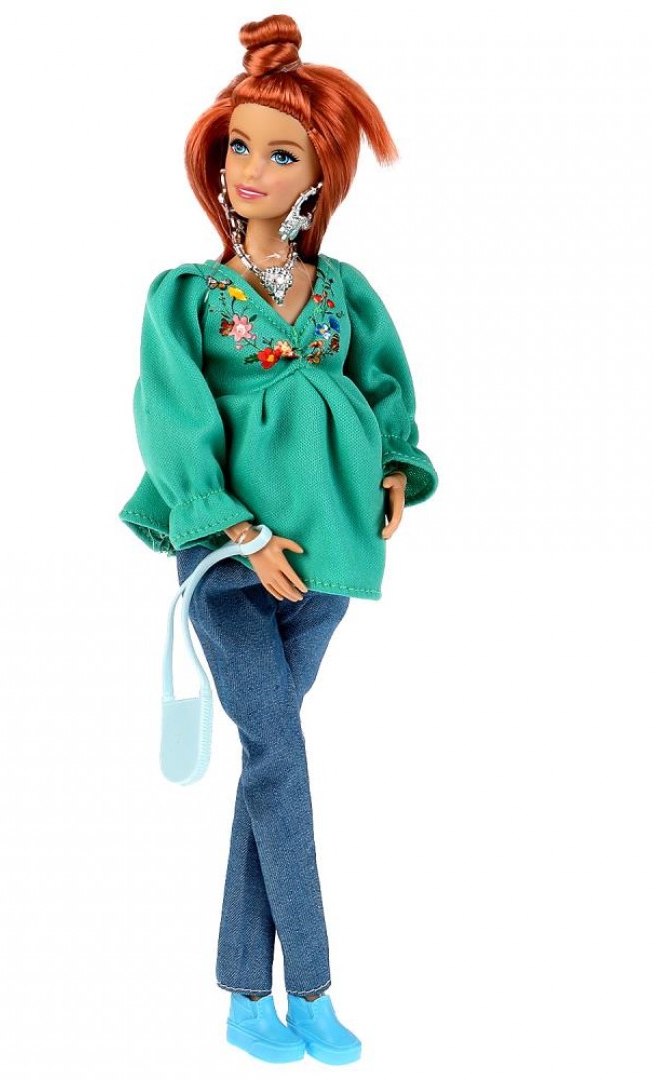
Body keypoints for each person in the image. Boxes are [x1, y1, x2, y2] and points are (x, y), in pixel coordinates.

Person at [119, 13, 438, 1066]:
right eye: (239, 148)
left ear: (319, 177)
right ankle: (314, 990)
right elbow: (173, 422)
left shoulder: (343, 292)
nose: (251, 169)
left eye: (281, 154)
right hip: (228, 558)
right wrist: (239, 528)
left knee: (272, 760)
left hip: (331, 550)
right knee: (278, 756)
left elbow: (382, 386)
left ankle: (244, 1002)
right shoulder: (187, 297)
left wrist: (395, 467)